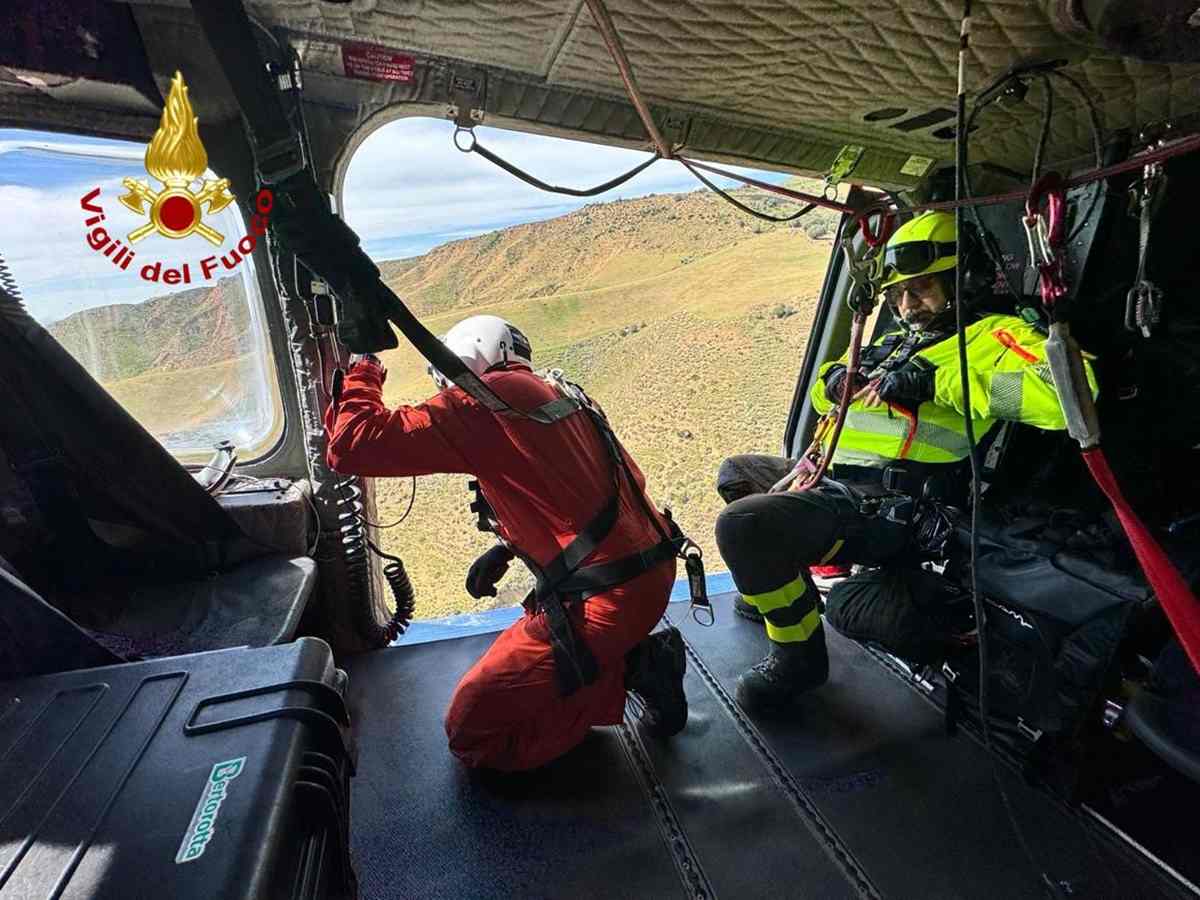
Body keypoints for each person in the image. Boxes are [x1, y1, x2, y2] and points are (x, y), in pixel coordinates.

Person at [713, 210, 1098, 716]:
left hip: (892, 507)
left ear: (962, 281)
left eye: (921, 289)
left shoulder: (990, 338)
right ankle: (787, 598)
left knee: (744, 527)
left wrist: (942, 383)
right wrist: (831, 383)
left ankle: (798, 658)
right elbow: (840, 385)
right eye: (897, 296)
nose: (906, 306)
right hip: (831, 477)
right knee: (736, 475)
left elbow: (1071, 393)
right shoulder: (901, 340)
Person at [324, 314, 687, 771]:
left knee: (473, 732)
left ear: (467, 361)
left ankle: (633, 667)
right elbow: (592, 493)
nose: (447, 394)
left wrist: (364, 368)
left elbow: (352, 445)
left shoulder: (484, 401)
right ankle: (625, 654)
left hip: (605, 601)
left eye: (448, 383)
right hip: (646, 572)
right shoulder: (562, 393)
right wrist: (511, 547)